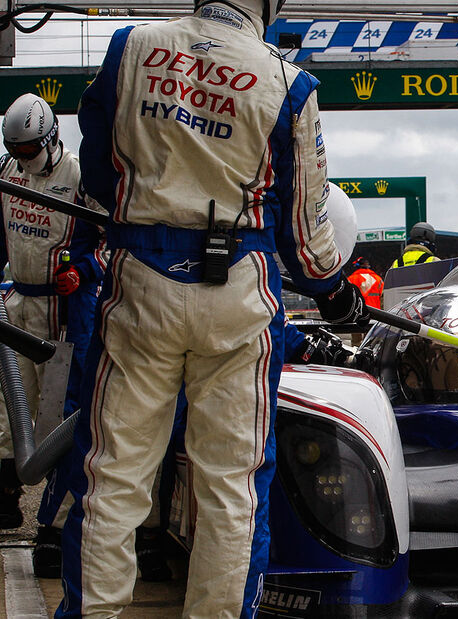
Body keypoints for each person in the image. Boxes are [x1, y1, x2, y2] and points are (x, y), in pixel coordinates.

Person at [64, 0, 365, 615]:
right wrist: (336, 296)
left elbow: (96, 166)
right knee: (232, 490)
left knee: (112, 477)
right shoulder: (289, 81)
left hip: (139, 277)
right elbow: (307, 242)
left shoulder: (131, 47)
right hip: (238, 289)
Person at [0, 94, 106, 548]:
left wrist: (82, 272)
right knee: (9, 407)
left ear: (50, 137)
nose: (23, 160)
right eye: (16, 151)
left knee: (58, 419)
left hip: (65, 313)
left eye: (29, 151)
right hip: (17, 303)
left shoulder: (81, 177)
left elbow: (110, 240)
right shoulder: (6, 172)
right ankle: (5, 494)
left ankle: (55, 524)